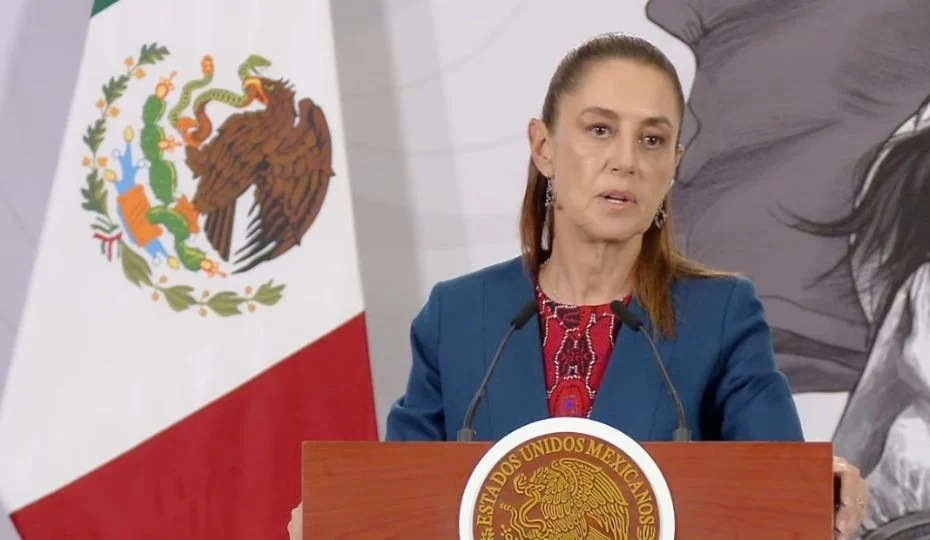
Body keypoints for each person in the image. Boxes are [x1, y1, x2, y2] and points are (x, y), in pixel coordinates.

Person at [288, 33, 869, 540]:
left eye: (652, 140)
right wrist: (341, 519)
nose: (625, 161)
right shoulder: (458, 315)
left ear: (674, 164)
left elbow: (778, 495)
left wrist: (825, 489)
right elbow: (396, 502)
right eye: (599, 130)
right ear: (544, 148)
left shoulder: (721, 315)